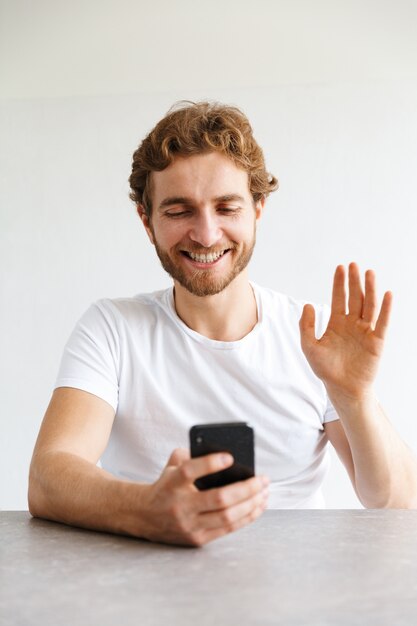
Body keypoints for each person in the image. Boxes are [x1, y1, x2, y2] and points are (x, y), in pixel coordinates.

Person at [28, 101, 417, 546]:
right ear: (147, 220)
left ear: (258, 209)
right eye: (179, 211)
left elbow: (395, 501)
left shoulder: (316, 337)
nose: (206, 234)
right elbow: (47, 476)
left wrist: (354, 397)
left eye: (227, 208)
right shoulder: (113, 329)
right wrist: (149, 509)